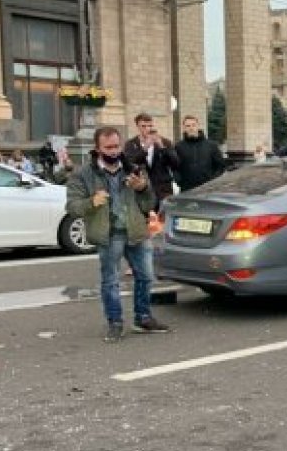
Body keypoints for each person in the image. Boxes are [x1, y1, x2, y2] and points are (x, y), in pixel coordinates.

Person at [66, 126, 170, 342]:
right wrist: (91, 202)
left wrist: (142, 188)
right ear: (98, 148)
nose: (113, 151)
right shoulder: (83, 173)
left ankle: (143, 318)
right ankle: (115, 322)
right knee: (110, 281)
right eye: (108, 147)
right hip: (109, 234)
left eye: (116, 146)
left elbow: (150, 203)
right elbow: (72, 206)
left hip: (136, 231)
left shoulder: (133, 168)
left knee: (145, 276)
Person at [124, 112, 181, 204]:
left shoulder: (165, 142)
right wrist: (145, 148)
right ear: (137, 127)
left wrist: (162, 147)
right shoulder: (131, 144)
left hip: (163, 189)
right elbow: (130, 163)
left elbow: (175, 163)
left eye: (150, 126)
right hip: (142, 189)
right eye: (143, 126)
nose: (147, 129)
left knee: (164, 216)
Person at [174, 114, 226, 191]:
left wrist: (212, 181)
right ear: (184, 128)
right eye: (188, 126)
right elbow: (175, 167)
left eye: (193, 125)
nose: (191, 128)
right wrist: (179, 181)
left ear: (198, 126)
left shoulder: (211, 145)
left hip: (208, 188)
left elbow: (220, 166)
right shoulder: (178, 147)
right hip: (187, 189)